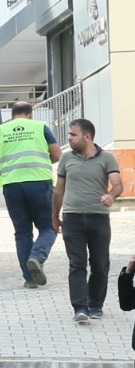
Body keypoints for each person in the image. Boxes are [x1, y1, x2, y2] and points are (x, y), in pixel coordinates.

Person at [56, 118, 123, 324]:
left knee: (100, 264)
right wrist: (54, 217)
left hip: (98, 218)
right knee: (77, 264)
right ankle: (80, 307)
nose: (69, 138)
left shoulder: (107, 159)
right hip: (72, 218)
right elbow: (58, 190)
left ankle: (96, 305)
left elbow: (118, 184)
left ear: (87, 136)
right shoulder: (66, 159)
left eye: (73, 135)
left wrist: (111, 196)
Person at [0, 101, 62, 288]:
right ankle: (37, 257)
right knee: (48, 227)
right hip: (39, 182)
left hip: (12, 186)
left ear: (12, 115)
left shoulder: (0, 131)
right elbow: (57, 154)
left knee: (22, 233)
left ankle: (30, 279)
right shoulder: (40, 127)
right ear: (30, 114)